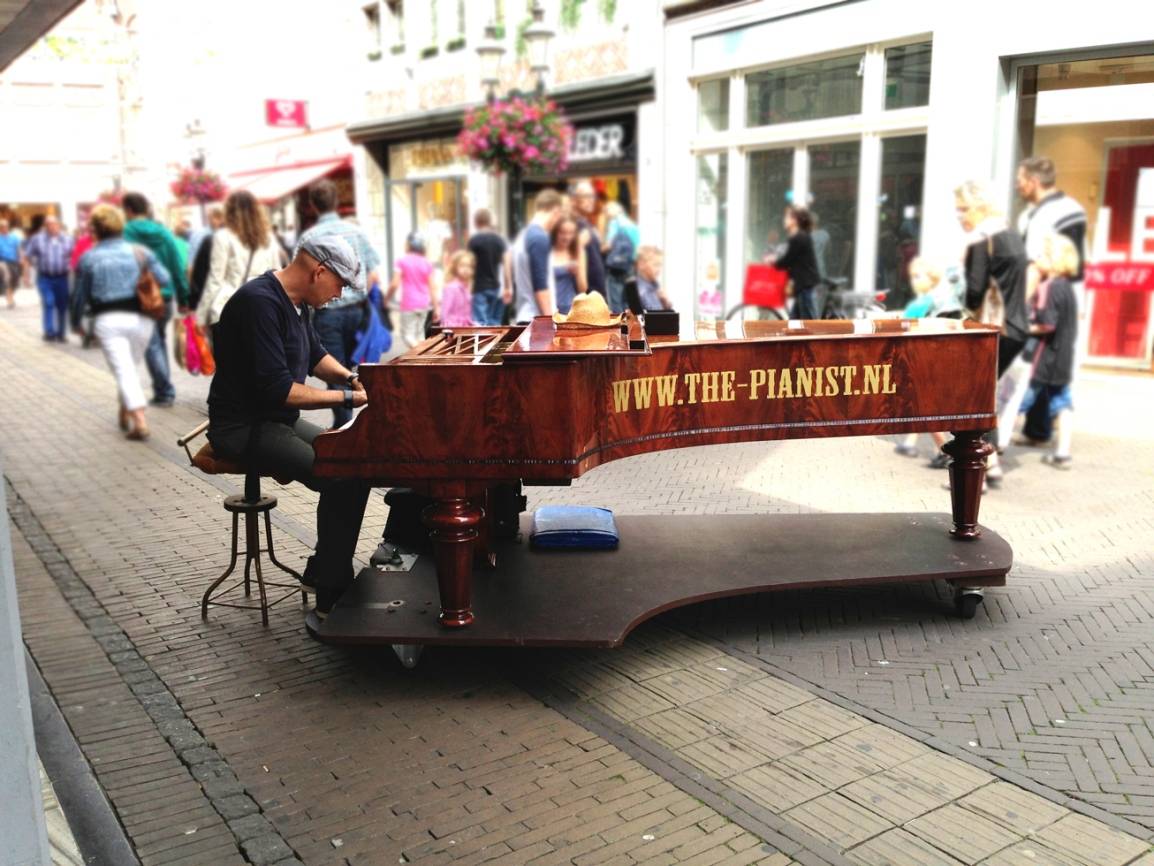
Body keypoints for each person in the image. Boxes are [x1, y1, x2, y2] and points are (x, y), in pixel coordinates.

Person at [207, 235, 370, 618]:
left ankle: (322, 570)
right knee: (339, 476)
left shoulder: (298, 304)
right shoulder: (258, 303)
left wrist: (350, 379)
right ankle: (330, 587)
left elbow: (315, 356)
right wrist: (349, 400)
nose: (339, 294)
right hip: (243, 427)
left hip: (276, 421)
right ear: (319, 271)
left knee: (356, 463)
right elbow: (279, 390)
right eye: (340, 284)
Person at [70, 204, 171, 441]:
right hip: (143, 319)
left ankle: (140, 421)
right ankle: (126, 408)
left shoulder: (89, 257)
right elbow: (164, 279)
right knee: (128, 369)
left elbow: (79, 296)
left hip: (108, 319)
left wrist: (76, 322)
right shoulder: (139, 252)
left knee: (124, 370)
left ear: (96, 229)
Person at [955, 180, 1029, 488]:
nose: (960, 216)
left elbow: (974, 292)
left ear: (980, 207)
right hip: (1017, 328)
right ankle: (993, 463)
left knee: (971, 396)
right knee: (984, 395)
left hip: (992, 328)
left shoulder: (981, 240)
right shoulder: (1012, 236)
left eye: (963, 209)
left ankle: (978, 470)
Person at [296, 180, 381, 428]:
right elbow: (374, 275)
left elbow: (301, 276)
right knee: (351, 367)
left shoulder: (310, 237)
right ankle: (355, 424)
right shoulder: (356, 232)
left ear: (313, 205)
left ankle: (346, 428)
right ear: (337, 203)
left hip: (328, 314)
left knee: (336, 369)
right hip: (358, 311)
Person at [122, 193, 190, 407]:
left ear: (129, 211)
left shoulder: (125, 233)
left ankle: (164, 391)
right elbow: (178, 267)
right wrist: (184, 296)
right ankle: (164, 388)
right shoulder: (164, 233)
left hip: (142, 296)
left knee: (152, 344)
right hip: (167, 296)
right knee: (158, 340)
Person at [1018, 234, 1079, 468]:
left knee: (1017, 401)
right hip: (1062, 356)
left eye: (1043, 254)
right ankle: (1063, 452)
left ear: (1054, 259)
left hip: (1044, 357)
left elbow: (1048, 323)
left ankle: (991, 453)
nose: (1037, 259)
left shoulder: (1050, 287)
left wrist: (1025, 328)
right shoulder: (1066, 287)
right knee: (1062, 402)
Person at [892, 257, 962, 462]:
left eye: (917, 276)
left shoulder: (921, 304)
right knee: (922, 404)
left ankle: (946, 450)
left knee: (924, 408)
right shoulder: (943, 301)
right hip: (936, 358)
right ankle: (911, 443)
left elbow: (904, 327)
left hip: (922, 359)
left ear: (931, 278)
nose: (914, 281)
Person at [198, 191, 285, 337]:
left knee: (229, 358)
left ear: (229, 211)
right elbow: (277, 274)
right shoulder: (268, 238)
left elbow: (215, 279)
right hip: (261, 308)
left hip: (228, 307)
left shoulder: (223, 237)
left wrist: (201, 317)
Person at [510, 190, 563, 322]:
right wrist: (549, 320)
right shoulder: (539, 237)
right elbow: (540, 285)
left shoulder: (522, 236)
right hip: (536, 319)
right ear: (556, 211)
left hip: (526, 315)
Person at [24, 216, 74, 341]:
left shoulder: (68, 239)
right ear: (45, 226)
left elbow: (74, 256)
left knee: (62, 306)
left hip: (62, 277)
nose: (52, 227)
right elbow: (27, 256)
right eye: (48, 224)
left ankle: (61, 333)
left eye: (54, 224)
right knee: (48, 302)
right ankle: (49, 332)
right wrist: (26, 275)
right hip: (45, 277)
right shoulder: (37, 239)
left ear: (59, 225)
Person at [386, 232, 438, 351]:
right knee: (419, 335)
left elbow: (394, 284)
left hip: (409, 304)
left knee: (408, 335)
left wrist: (386, 299)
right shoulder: (427, 263)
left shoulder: (402, 261)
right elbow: (432, 287)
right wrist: (436, 307)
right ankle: (421, 363)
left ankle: (422, 354)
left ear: (408, 245)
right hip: (424, 304)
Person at [769, 205, 821, 320]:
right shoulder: (799, 237)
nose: (784, 220)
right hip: (803, 285)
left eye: (787, 217)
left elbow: (788, 260)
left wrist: (773, 262)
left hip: (805, 285)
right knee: (794, 322)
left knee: (810, 324)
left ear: (794, 220)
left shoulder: (799, 238)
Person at [465, 209, 507, 326]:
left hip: (479, 286)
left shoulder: (474, 241)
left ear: (476, 222)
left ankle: (483, 344)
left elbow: (469, 263)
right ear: (489, 221)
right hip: (496, 286)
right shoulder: (499, 240)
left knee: (480, 323)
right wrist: (508, 286)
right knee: (494, 323)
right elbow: (506, 263)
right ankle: (494, 344)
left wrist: (467, 286)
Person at [602, 201, 639, 314]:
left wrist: (600, 250)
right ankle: (628, 327)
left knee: (615, 302)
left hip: (615, 268)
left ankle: (619, 328)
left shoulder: (614, 223)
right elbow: (637, 250)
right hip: (629, 267)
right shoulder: (632, 225)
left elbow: (609, 244)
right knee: (627, 301)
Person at [573, 181, 607, 300]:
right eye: (587, 196)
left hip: (597, 293)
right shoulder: (575, 224)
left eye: (592, 196)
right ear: (575, 199)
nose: (591, 200)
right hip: (589, 296)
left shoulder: (586, 223)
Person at [550, 212, 586, 315]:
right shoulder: (547, 250)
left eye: (571, 233)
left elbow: (583, 289)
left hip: (568, 310)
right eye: (563, 232)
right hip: (547, 308)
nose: (567, 237)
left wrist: (578, 272)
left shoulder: (577, 252)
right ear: (555, 232)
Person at [440, 251, 475, 327]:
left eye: (469, 266)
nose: (466, 269)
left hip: (465, 328)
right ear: (455, 267)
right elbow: (445, 315)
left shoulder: (466, 287)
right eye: (462, 265)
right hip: (453, 329)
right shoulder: (451, 288)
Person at [634, 246, 672, 311]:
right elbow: (651, 316)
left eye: (660, 265)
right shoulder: (640, 290)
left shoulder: (654, 287)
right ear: (641, 264)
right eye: (656, 265)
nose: (659, 269)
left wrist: (665, 305)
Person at [0, 218, 22, 310]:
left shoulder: (14, 237)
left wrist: (21, 259)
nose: (4, 228)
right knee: (8, 278)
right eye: (2, 227)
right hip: (2, 261)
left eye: (5, 226)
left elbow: (19, 249)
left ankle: (11, 296)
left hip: (14, 261)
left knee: (15, 281)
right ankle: (10, 300)